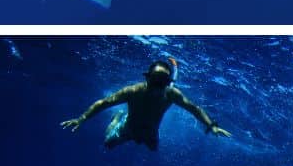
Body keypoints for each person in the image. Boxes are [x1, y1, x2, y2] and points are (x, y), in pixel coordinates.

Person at [60, 57, 231, 151]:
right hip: (128, 129)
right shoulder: (133, 91)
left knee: (153, 150)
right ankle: (117, 118)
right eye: (155, 79)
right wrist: (81, 119)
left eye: (163, 81)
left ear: (167, 82)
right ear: (147, 77)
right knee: (107, 144)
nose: (158, 85)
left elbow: (195, 109)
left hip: (150, 133)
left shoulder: (172, 94)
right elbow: (104, 103)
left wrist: (212, 125)